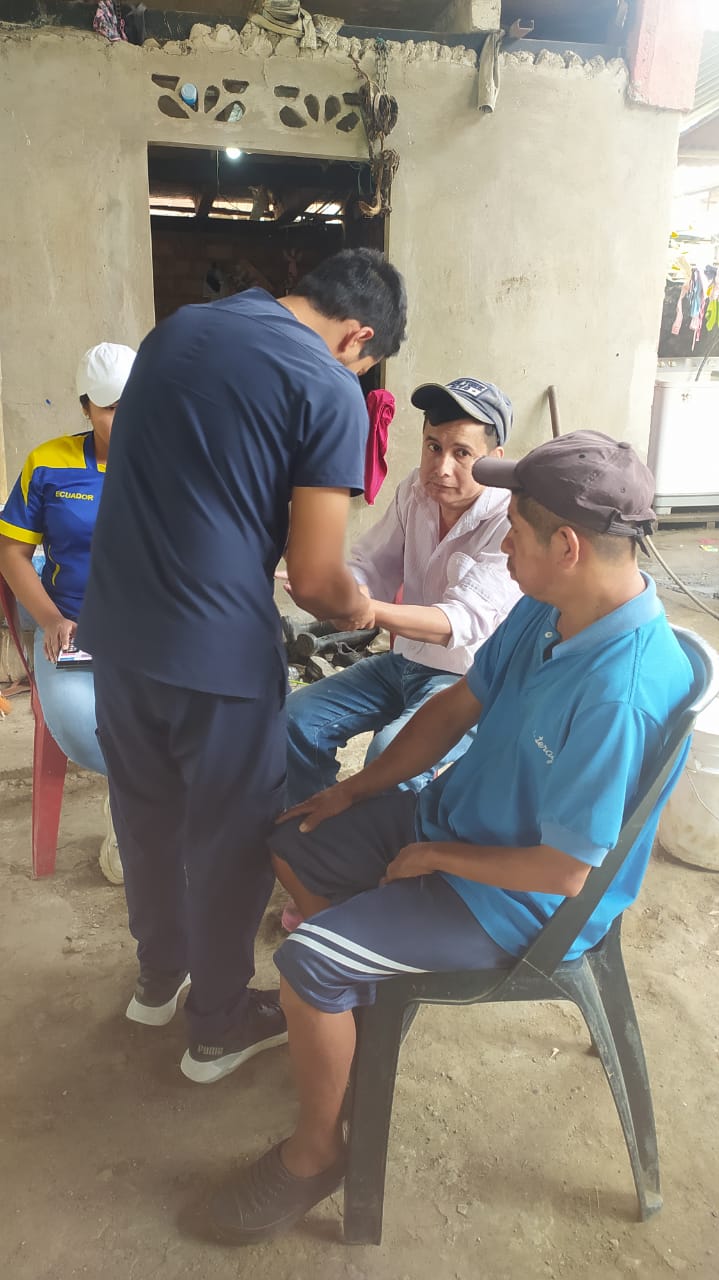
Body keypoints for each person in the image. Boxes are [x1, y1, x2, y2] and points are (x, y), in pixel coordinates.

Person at [204, 430, 697, 1243]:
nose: (501, 544)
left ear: (566, 547)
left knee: (306, 962)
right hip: (460, 822)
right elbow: (456, 705)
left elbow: (565, 872)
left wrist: (435, 856)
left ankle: (316, 1153)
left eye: (515, 531)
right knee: (294, 837)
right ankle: (353, 1012)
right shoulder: (550, 606)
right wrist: (357, 788)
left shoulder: (621, 690)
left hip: (516, 899)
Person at [77, 248, 408, 1081]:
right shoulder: (327, 384)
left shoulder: (176, 331)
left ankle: (158, 980)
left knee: (146, 816)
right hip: (215, 652)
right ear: (357, 338)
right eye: (363, 364)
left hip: (117, 631)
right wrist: (359, 609)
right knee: (229, 838)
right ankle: (218, 1022)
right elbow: (316, 578)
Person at [285, 376, 522, 810]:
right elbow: (372, 564)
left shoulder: (511, 518)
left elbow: (460, 621)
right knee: (295, 719)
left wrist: (366, 609)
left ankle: (391, 847)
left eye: (462, 453)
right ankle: (319, 828)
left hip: (468, 680)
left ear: (494, 460)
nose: (441, 467)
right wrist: (338, 589)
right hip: (405, 662)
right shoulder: (415, 490)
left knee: (390, 756)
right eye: (433, 446)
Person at [0, 343, 136, 884]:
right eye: (110, 408)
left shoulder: (174, 462)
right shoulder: (49, 463)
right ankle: (132, 814)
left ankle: (142, 812)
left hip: (153, 632)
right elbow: (12, 554)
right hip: (72, 627)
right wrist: (52, 620)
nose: (125, 418)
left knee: (195, 721)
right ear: (85, 407)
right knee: (87, 729)